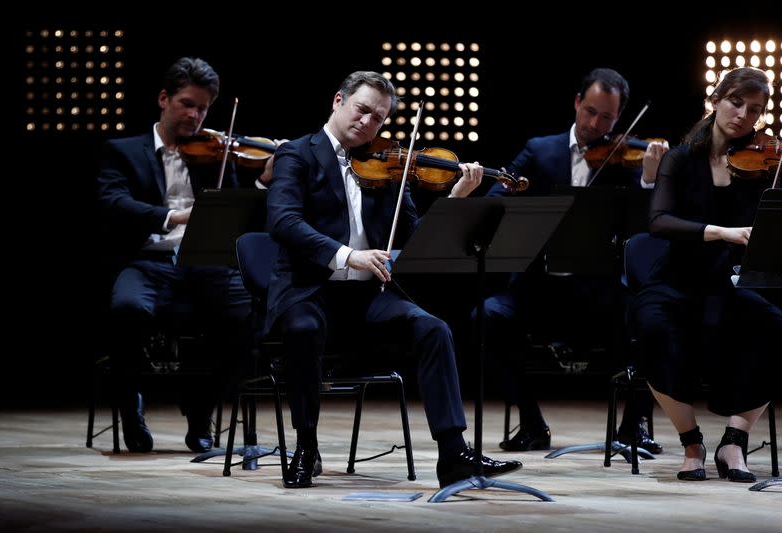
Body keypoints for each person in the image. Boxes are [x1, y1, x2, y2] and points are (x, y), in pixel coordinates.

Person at [265, 70, 521, 489]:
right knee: (303, 328)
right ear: (338, 100)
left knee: (433, 328)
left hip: (365, 299)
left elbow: (413, 241)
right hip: (308, 290)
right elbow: (283, 221)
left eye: (379, 118)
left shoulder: (387, 167)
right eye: (362, 110)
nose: (368, 123)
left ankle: (453, 454)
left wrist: (455, 198)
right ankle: (306, 447)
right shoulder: (298, 154)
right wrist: (349, 255)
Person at [452, 67, 668, 453]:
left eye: (607, 117)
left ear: (619, 118)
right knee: (485, 317)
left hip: (598, 290)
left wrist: (649, 177)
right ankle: (532, 423)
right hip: (539, 288)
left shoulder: (631, 160)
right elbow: (492, 203)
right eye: (589, 111)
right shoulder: (539, 151)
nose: (595, 123)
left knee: (653, 317)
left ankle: (633, 425)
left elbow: (651, 220)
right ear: (576, 102)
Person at [97, 57, 271, 453]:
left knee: (247, 315)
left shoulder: (216, 155)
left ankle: (200, 410)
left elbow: (245, 208)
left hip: (203, 263)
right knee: (126, 308)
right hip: (146, 262)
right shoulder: (122, 151)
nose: (195, 115)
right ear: (164, 98)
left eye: (203, 108)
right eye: (187, 104)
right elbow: (113, 202)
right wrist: (175, 215)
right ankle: (130, 404)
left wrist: (263, 178)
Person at [633, 67, 781, 482]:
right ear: (716, 100)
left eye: (754, 110)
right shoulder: (680, 160)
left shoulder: (762, 166)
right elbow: (658, 221)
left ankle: (735, 440)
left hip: (726, 283)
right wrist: (720, 232)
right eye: (736, 102)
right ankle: (692, 443)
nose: (742, 115)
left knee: (774, 325)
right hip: (674, 280)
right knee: (651, 325)